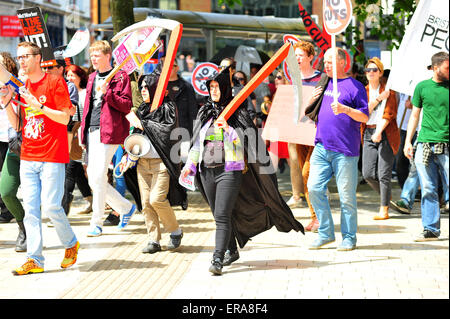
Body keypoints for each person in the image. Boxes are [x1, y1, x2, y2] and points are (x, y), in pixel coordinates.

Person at [181, 66, 304, 275]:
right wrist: (189, 166)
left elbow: (248, 142)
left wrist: (229, 131)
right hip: (206, 171)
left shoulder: (236, 112)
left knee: (221, 214)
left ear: (226, 88)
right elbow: (197, 144)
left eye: (217, 86)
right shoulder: (205, 111)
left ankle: (217, 259)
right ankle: (231, 249)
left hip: (230, 170)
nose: (214, 90)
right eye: (211, 87)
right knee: (218, 214)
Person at [0, 41, 79, 275]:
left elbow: (65, 119)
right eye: (19, 56)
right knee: (31, 209)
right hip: (28, 156)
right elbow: (17, 125)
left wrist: (39, 106)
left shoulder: (55, 82)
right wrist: (6, 104)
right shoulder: (21, 85)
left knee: (52, 206)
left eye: (26, 56)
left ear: (38, 58)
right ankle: (35, 259)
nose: (21, 60)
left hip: (53, 155)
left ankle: (70, 243)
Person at [305, 47, 369, 251]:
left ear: (343, 62)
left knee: (346, 196)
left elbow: (364, 117)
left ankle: (349, 237)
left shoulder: (355, 86)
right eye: (324, 61)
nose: (326, 65)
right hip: (322, 146)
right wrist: (311, 100)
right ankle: (326, 233)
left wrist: (346, 109)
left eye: (330, 61)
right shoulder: (324, 82)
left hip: (345, 150)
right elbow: (311, 111)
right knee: (314, 188)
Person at [79, 40, 136, 237]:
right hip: (92, 131)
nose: (93, 59)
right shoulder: (92, 77)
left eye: (97, 55)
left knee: (97, 177)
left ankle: (97, 222)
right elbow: (87, 108)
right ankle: (125, 207)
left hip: (109, 132)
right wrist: (83, 132)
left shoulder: (120, 76)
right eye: (92, 55)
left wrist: (108, 93)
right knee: (95, 180)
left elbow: (126, 105)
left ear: (107, 56)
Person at [130, 67, 186, 254]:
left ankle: (175, 231)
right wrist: (129, 154)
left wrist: (142, 123)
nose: (143, 90)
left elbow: (166, 131)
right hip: (142, 163)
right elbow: (137, 134)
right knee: (146, 202)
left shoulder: (168, 107)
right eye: (142, 87)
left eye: (147, 87)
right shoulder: (142, 109)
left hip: (161, 162)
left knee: (156, 199)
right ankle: (153, 240)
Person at [404, 51, 449, 242]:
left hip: (447, 144)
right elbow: (414, 116)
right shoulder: (422, 87)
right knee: (428, 187)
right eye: (447, 67)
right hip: (424, 144)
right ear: (436, 67)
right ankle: (430, 229)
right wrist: (408, 142)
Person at [287, 41, 322, 234]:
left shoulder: (321, 79)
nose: (298, 58)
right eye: (296, 55)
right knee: (305, 176)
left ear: (310, 57)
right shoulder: (294, 79)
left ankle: (319, 217)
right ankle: (315, 217)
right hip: (299, 133)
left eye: (301, 55)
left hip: (318, 134)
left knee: (309, 173)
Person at [361, 57, 400, 220]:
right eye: (368, 70)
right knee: (367, 173)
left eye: (374, 70)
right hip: (368, 133)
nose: (371, 73)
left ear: (380, 73)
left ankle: (384, 208)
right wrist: (378, 99)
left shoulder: (389, 91)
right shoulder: (364, 91)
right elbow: (362, 112)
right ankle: (386, 195)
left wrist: (378, 132)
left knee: (383, 173)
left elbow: (389, 114)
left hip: (385, 133)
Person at [0, 52, 27, 251]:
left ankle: (26, 229)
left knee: (14, 192)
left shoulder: (19, 87)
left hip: (18, 145)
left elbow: (18, 124)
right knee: (6, 192)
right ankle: (23, 226)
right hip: (6, 145)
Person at [65, 64, 93, 215]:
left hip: (81, 136)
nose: (69, 78)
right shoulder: (66, 92)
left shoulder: (85, 93)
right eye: (67, 75)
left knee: (71, 170)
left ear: (80, 76)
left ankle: (63, 208)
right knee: (77, 172)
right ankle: (91, 201)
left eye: (72, 75)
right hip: (68, 134)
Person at [167, 60, 199, 138]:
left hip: (183, 132)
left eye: (172, 66)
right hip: (165, 133)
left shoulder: (186, 86)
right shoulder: (159, 87)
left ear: (177, 68)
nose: (169, 68)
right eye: (167, 66)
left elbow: (193, 112)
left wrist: (194, 134)